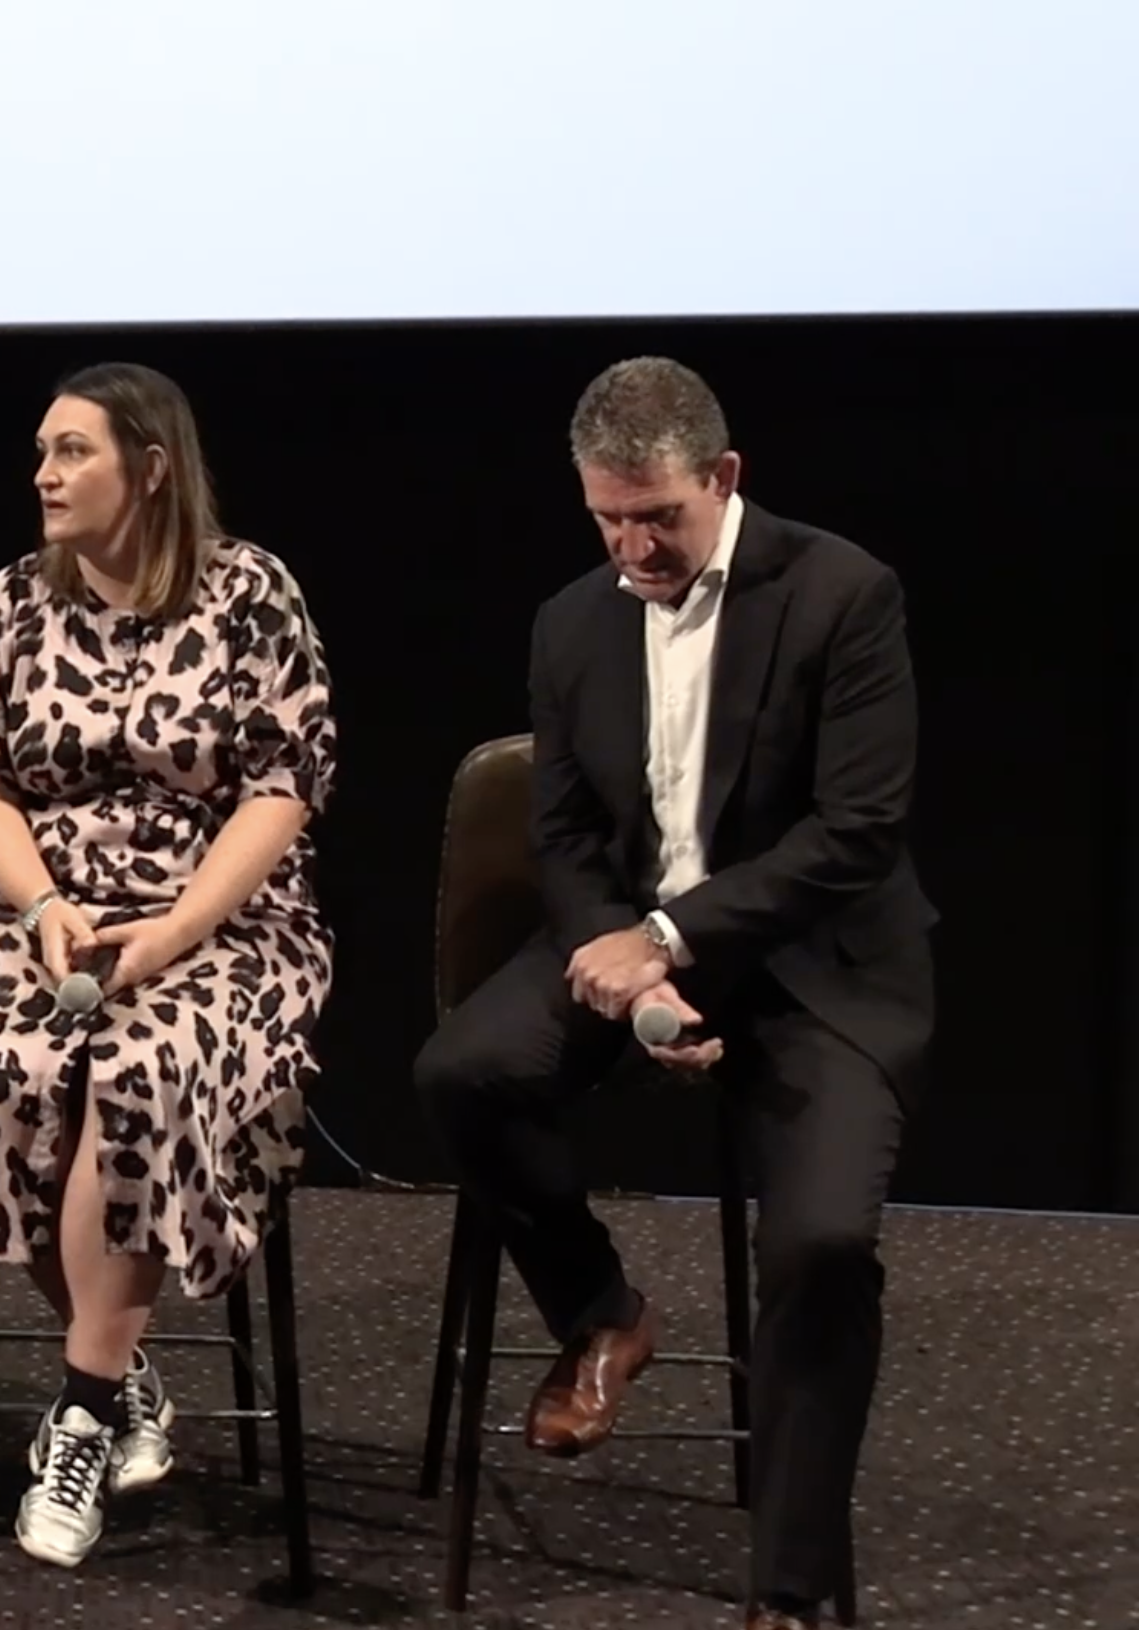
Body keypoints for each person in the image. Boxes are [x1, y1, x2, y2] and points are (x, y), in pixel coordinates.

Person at [413, 357, 929, 1630]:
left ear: (724, 479)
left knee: (817, 1243)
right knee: (461, 1075)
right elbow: (566, 834)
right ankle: (602, 1311)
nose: (633, 546)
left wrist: (667, 940)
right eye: (607, 519)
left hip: (809, 964)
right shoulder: (569, 622)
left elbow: (852, 834)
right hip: (628, 936)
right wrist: (613, 944)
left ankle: (787, 1592)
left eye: (659, 517)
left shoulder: (841, 594)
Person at [0, 362, 337, 1568]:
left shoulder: (251, 594)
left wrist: (178, 929)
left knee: (138, 1069)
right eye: (40, 452)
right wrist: (41, 901)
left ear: (148, 467)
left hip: (226, 922)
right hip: (39, 912)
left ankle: (84, 1409)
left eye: (70, 452)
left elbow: (280, 788)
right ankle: (123, 1375)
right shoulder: (9, 604)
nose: (41, 475)